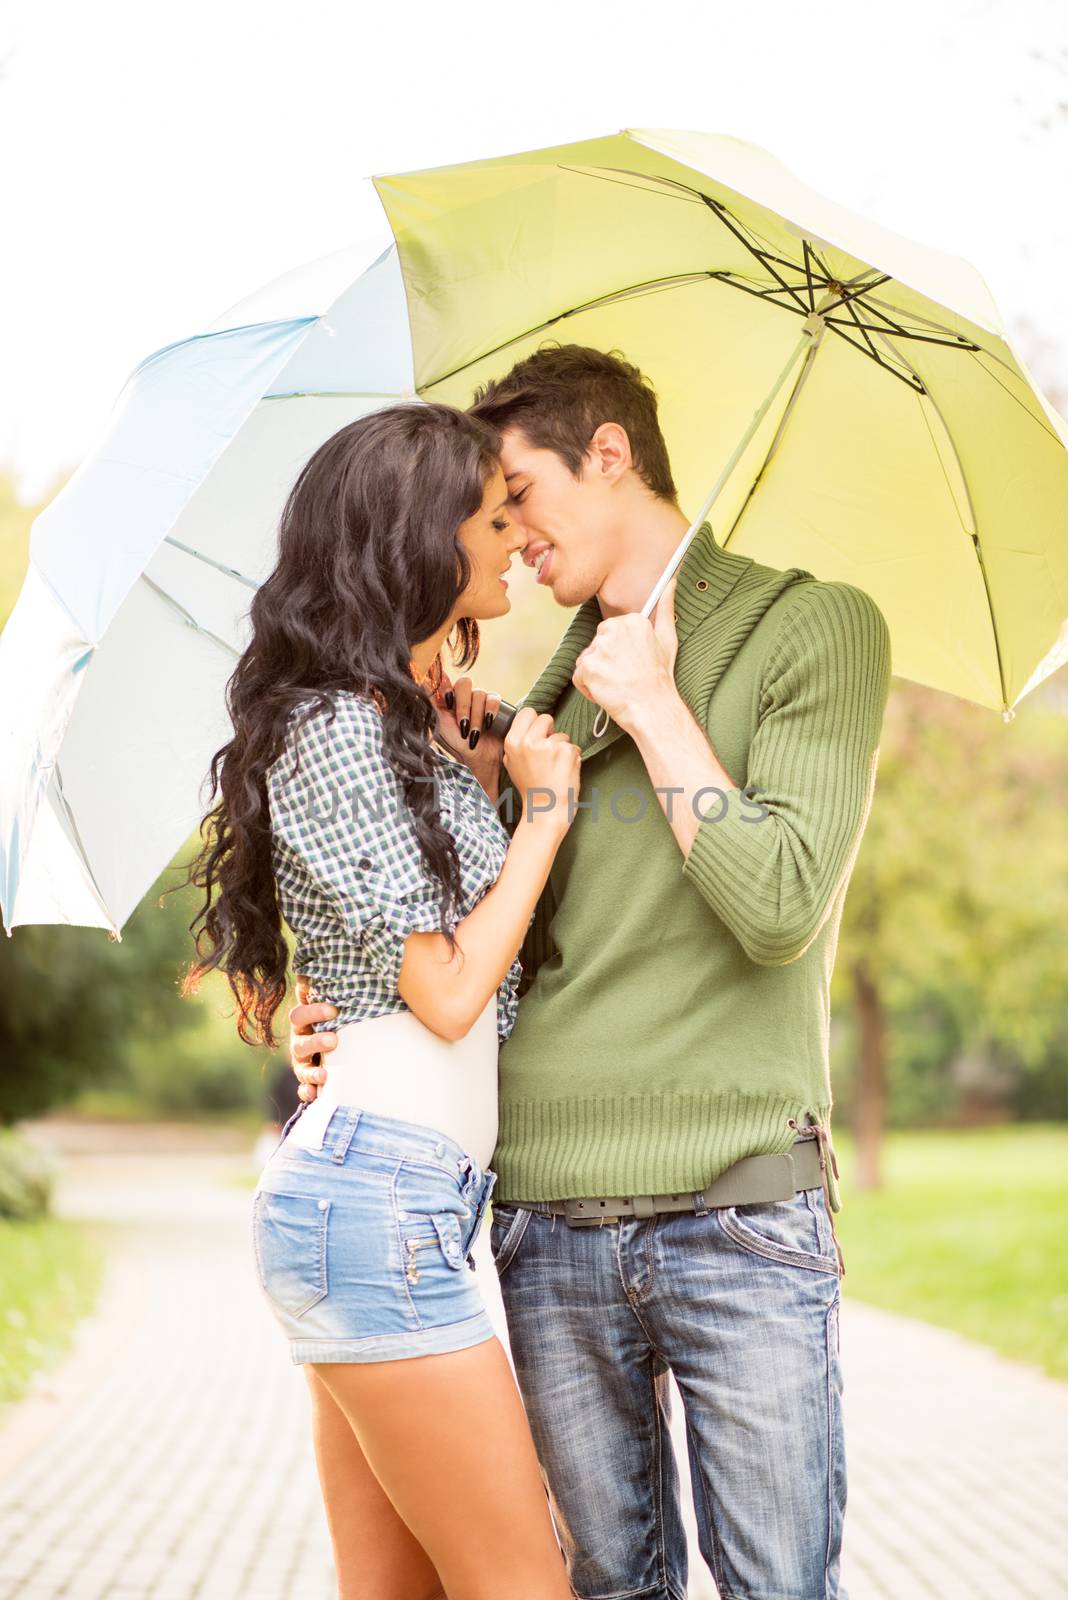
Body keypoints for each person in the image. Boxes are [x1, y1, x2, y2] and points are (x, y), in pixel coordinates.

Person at [290, 344, 893, 1600]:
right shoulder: (542, 689)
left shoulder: (814, 626)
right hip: (543, 1213)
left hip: (738, 1203)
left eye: (519, 493)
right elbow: (463, 946)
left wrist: (664, 710)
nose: (505, 532)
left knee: (780, 1581)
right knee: (606, 1584)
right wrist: (343, 1021)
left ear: (608, 454)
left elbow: (779, 902)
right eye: (490, 512)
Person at [177, 400, 582, 1600]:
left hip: (391, 1199)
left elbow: (390, 966)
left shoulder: (386, 730)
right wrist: (547, 816)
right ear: (420, 541)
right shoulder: (338, 732)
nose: (515, 539)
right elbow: (452, 990)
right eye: (495, 517)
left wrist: (472, 769)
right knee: (522, 1585)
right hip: (376, 1205)